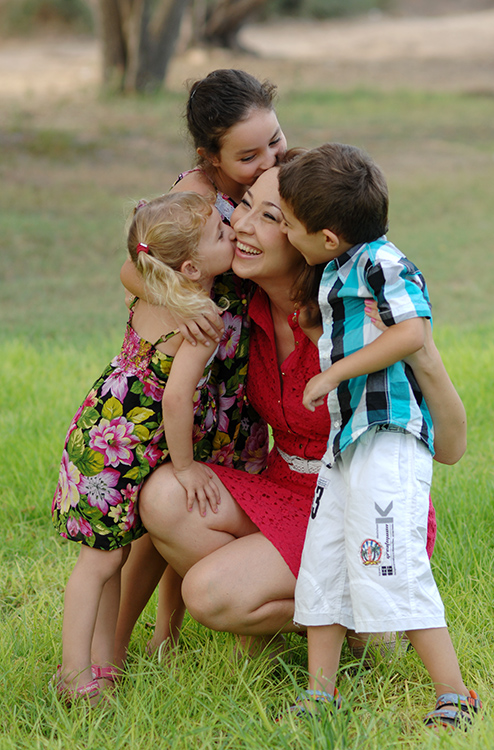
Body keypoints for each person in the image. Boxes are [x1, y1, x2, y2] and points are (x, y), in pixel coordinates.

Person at [137, 164, 467, 668]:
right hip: (281, 484)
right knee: (164, 495)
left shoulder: (356, 315)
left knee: (207, 593)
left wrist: (422, 350)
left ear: (309, 238)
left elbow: (451, 449)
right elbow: (141, 261)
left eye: (271, 217)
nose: (241, 225)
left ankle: (367, 614)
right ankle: (276, 615)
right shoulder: (238, 299)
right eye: (245, 204)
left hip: (354, 501)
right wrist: (177, 302)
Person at [277, 142, 481, 729]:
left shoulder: (382, 262)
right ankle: (321, 695)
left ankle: (454, 694)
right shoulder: (338, 268)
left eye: (288, 224)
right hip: (348, 441)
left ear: (328, 237)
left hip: (387, 435)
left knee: (389, 562)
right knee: (323, 562)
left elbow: (413, 333)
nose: (285, 233)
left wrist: (332, 373)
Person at [115, 68, 288, 661]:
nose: (267, 160)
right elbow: (133, 268)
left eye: (275, 140)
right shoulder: (194, 199)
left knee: (206, 505)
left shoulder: (271, 181)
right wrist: (181, 302)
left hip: (237, 374)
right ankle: (117, 646)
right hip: (196, 375)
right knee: (164, 511)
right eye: (248, 156)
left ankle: (175, 632)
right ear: (209, 157)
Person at [51, 191, 236, 704]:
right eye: (221, 233)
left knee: (110, 556)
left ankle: (101, 664)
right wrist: (186, 468)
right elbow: (176, 400)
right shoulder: (202, 318)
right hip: (121, 449)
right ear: (191, 266)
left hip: (99, 428)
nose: (232, 232)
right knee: (98, 564)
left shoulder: (156, 291)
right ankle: (74, 676)